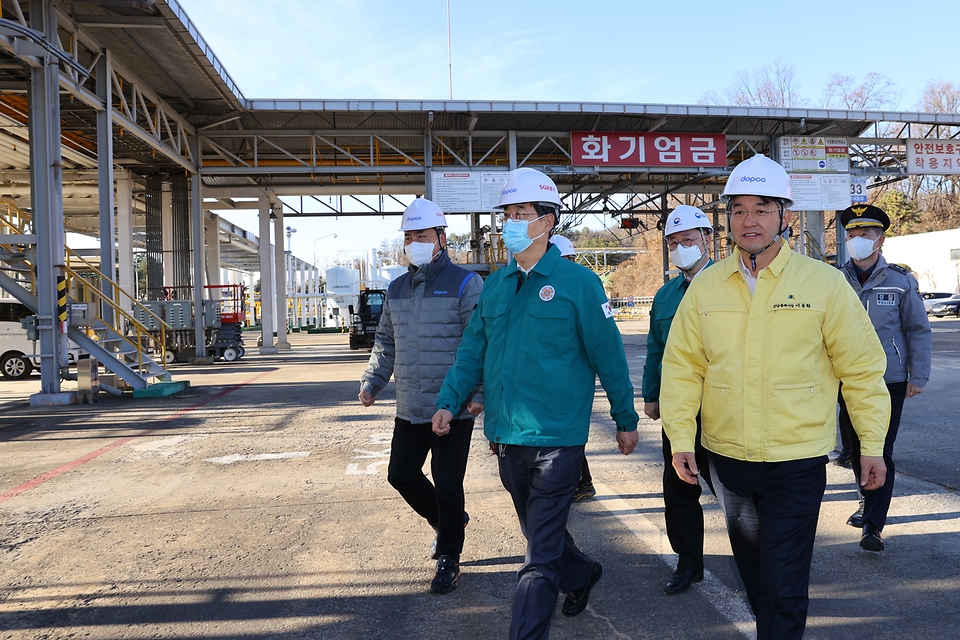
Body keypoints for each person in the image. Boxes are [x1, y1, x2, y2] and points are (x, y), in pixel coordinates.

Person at [660, 154, 891, 640]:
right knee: (754, 576)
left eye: (763, 208)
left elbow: (863, 371)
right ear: (727, 219)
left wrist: (870, 444)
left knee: (783, 583)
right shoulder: (706, 287)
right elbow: (683, 368)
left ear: (784, 215)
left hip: (797, 461)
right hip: (728, 460)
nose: (750, 220)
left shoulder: (823, 283)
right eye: (739, 209)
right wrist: (682, 438)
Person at [432, 168, 639, 640]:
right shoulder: (498, 286)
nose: (509, 222)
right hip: (507, 437)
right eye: (506, 213)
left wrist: (625, 419)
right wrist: (449, 402)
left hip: (558, 440)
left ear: (548, 222)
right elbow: (472, 353)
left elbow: (607, 354)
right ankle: (583, 573)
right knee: (540, 534)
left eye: (521, 213)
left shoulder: (579, 284)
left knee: (537, 558)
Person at [358, 198, 483, 595]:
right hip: (411, 406)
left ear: (441, 239)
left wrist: (477, 391)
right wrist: (372, 381)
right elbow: (385, 342)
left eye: (422, 235)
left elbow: (480, 342)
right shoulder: (396, 288)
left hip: (453, 407)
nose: (414, 242)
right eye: (409, 236)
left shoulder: (466, 283)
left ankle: (449, 555)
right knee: (401, 474)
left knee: (448, 483)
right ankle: (450, 521)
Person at [837, 203, 931, 551]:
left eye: (865, 234)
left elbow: (918, 330)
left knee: (881, 448)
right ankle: (865, 499)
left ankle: (873, 526)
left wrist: (918, 375)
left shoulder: (901, 281)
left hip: (886, 379)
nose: (857, 239)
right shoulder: (833, 279)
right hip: (844, 380)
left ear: (881, 239)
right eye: (852, 234)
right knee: (854, 448)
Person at [641, 205, 716, 595]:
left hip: (724, 407)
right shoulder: (666, 295)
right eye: (674, 242)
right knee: (679, 488)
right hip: (679, 410)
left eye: (688, 240)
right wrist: (651, 393)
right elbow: (656, 348)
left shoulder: (728, 283)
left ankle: (760, 558)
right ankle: (689, 563)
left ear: (707, 240)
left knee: (733, 490)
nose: (681, 247)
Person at [550, 234, 596, 502]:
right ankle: (582, 484)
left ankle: (583, 484)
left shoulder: (582, 283)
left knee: (569, 437)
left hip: (571, 377)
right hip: (556, 376)